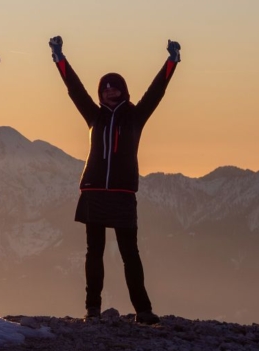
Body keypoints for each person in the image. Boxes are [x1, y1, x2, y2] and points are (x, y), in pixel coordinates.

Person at [49, 35, 180, 324]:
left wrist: (171, 62)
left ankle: (143, 310)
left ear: (124, 91)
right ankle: (92, 308)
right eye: (105, 89)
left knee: (130, 253)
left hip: (122, 193)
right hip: (94, 191)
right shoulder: (94, 116)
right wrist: (59, 57)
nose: (110, 92)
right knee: (93, 253)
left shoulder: (135, 116)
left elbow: (156, 92)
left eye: (115, 88)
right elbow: (74, 89)